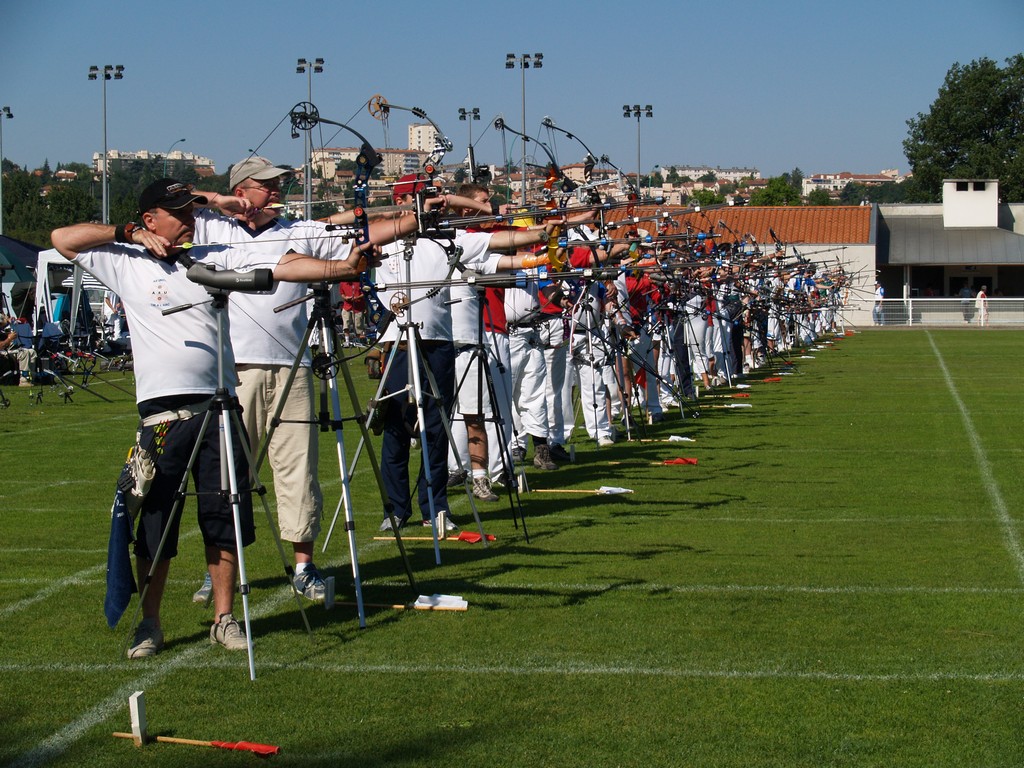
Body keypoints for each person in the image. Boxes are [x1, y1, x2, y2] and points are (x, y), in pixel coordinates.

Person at [51, 178, 379, 658]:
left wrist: (339, 268)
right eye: (178, 214)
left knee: (223, 517)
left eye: (190, 212)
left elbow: (282, 265)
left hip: (219, 406)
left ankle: (225, 619)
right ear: (150, 220)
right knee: (157, 522)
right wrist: (125, 232)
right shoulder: (123, 260)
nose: (189, 222)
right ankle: (149, 622)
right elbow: (62, 239)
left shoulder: (211, 255)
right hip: (162, 415)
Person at [376, 174, 560, 532]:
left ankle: (435, 507)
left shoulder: (448, 238)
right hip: (397, 342)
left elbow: (495, 240)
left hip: (438, 342)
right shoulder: (382, 238)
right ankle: (396, 510)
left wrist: (539, 234)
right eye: (417, 200)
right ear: (400, 204)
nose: (427, 206)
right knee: (396, 427)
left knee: (436, 426)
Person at [0, 315, 37, 386]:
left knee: (32, 352)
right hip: (2, 354)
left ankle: (31, 378)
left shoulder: (2, 331)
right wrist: (9, 339)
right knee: (24, 353)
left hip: (8, 351)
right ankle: (24, 380)